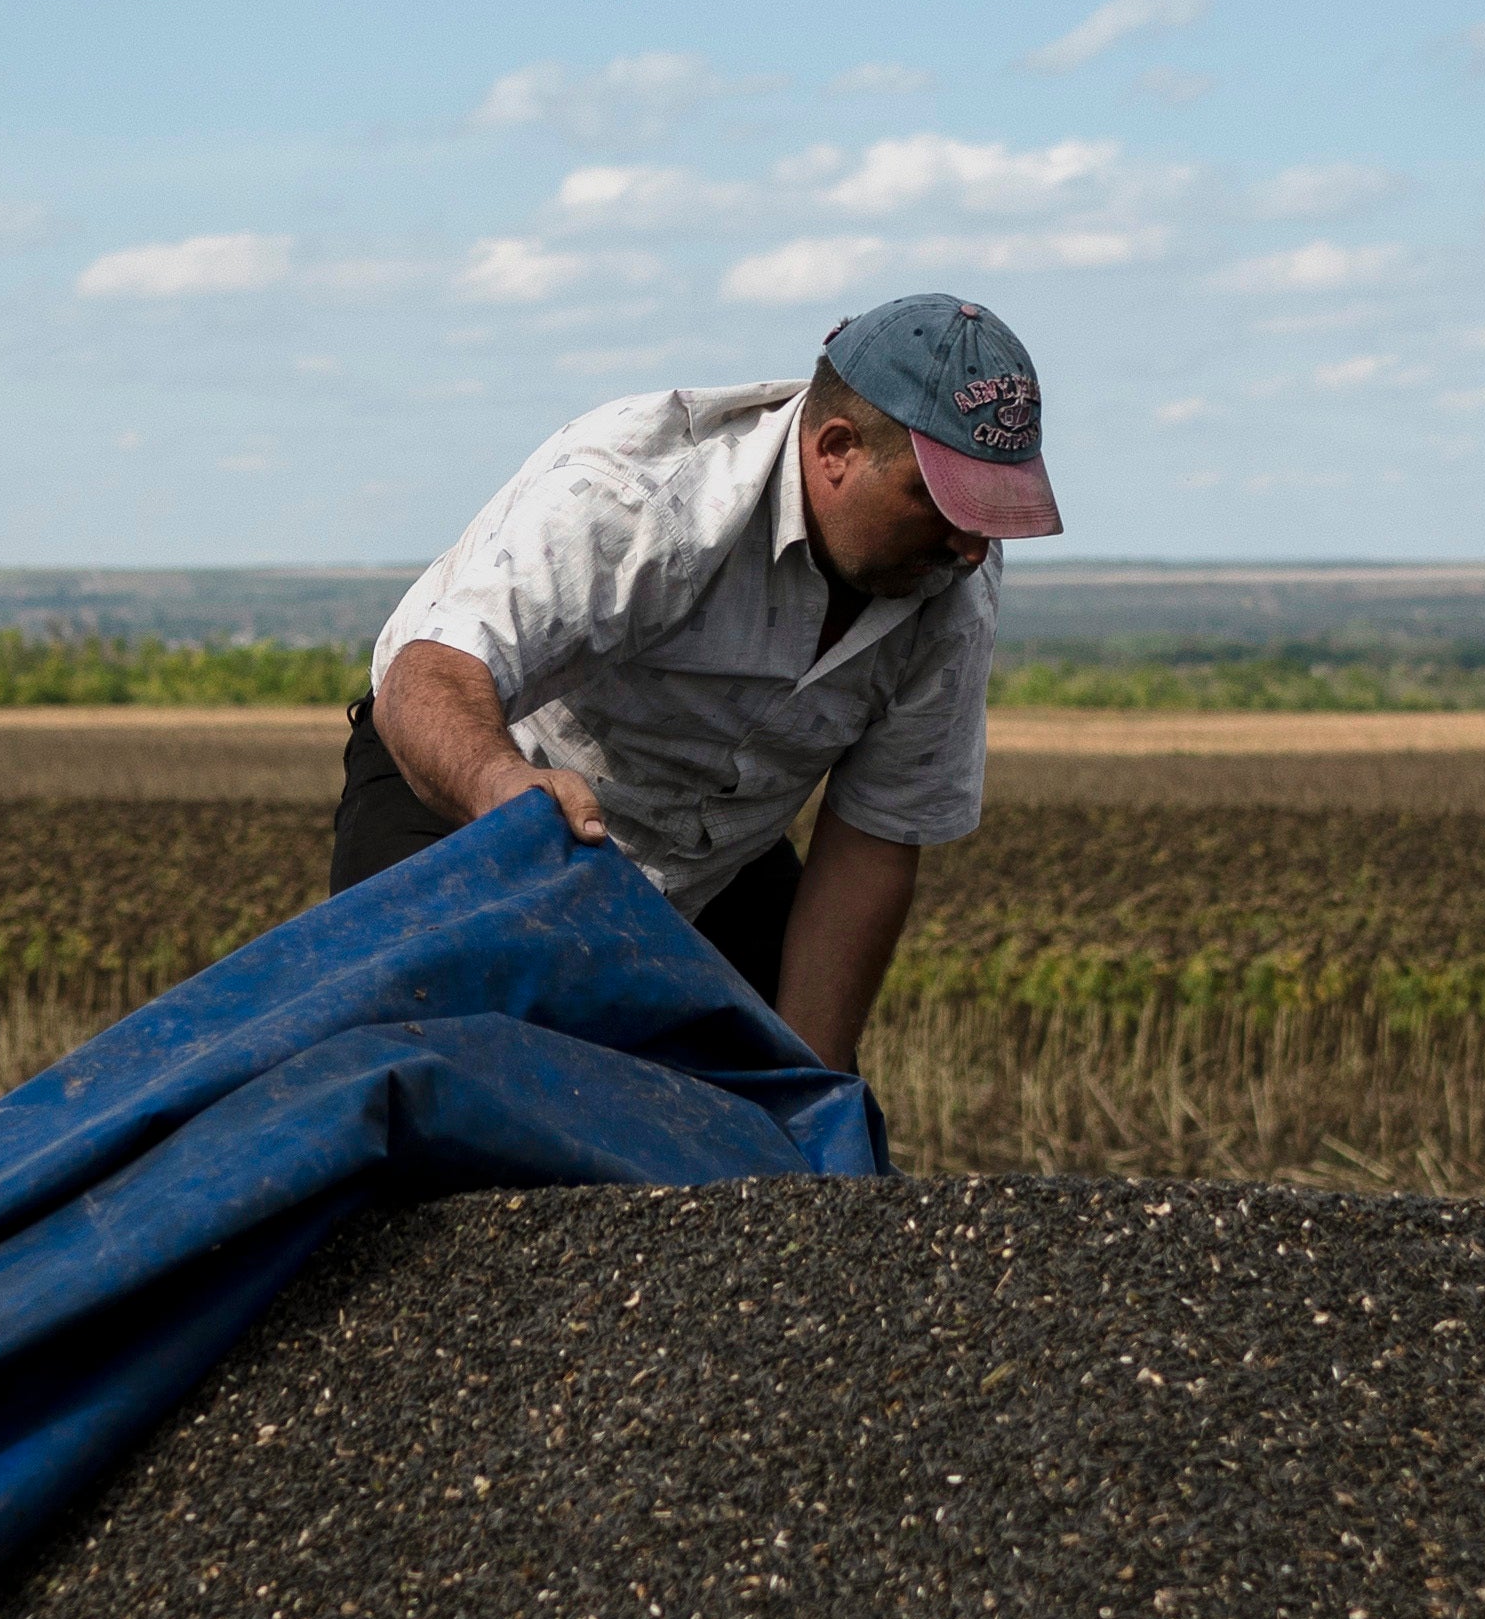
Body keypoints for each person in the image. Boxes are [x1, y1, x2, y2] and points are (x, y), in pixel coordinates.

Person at [332, 291, 1059, 1072]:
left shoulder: (952, 578)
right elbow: (427, 675)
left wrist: (810, 1092)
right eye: (941, 502)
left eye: (989, 512)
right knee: (430, 1074)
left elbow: (873, 838)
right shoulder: (642, 493)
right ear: (837, 447)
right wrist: (497, 783)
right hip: (472, 786)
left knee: (778, 1113)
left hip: (715, 849)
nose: (971, 545)